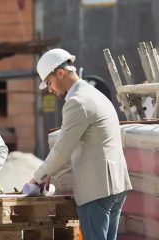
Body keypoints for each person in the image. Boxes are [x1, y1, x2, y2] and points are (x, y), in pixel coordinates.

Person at [29, 48, 132, 240]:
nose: (51, 90)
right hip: (116, 185)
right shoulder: (95, 94)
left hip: (96, 190)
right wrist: (51, 172)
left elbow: (62, 149)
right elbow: (85, 145)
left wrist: (38, 177)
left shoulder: (77, 102)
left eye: (49, 83)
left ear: (60, 73)